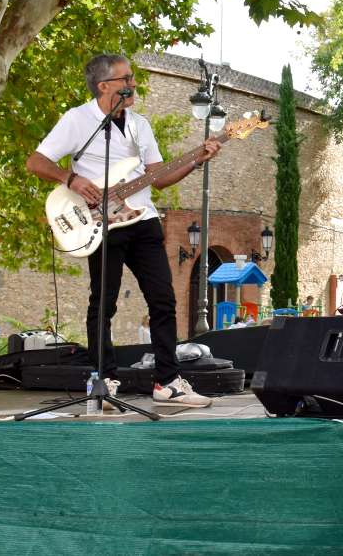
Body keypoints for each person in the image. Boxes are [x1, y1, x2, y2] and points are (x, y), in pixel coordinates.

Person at [27, 53, 220, 409]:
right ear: (104, 86)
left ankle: (167, 382)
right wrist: (71, 178)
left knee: (163, 299)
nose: (133, 84)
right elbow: (36, 161)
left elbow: (158, 178)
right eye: (125, 79)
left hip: (143, 219)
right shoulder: (78, 120)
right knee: (104, 302)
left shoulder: (140, 125)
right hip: (101, 222)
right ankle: (103, 378)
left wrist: (195, 160)